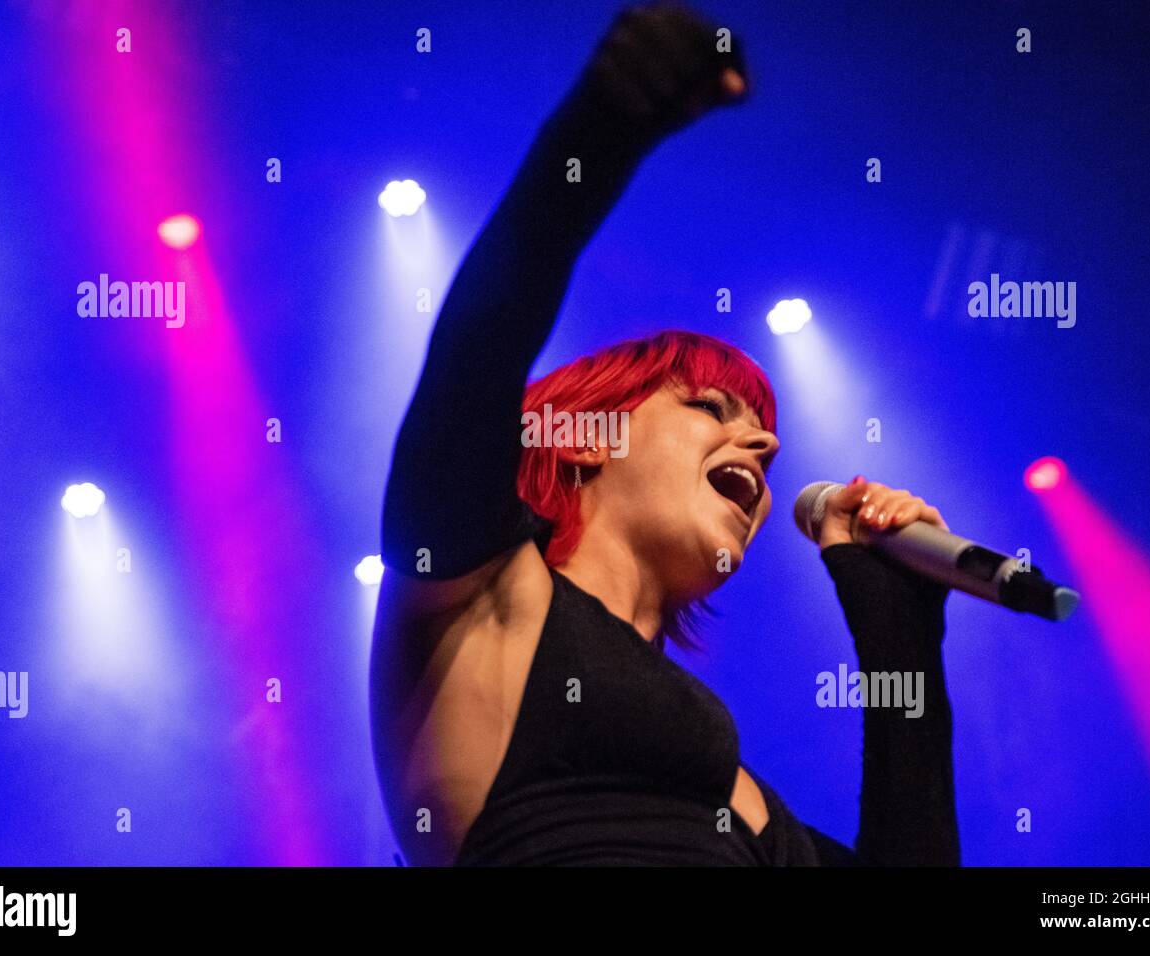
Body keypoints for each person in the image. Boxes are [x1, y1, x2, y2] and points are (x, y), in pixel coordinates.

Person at [371, 3, 959, 866]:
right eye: (712, 410)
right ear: (579, 437)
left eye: (766, 435)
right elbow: (476, 358)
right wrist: (602, 127)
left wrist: (899, 632)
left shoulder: (745, 800)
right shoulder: (486, 600)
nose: (762, 449)